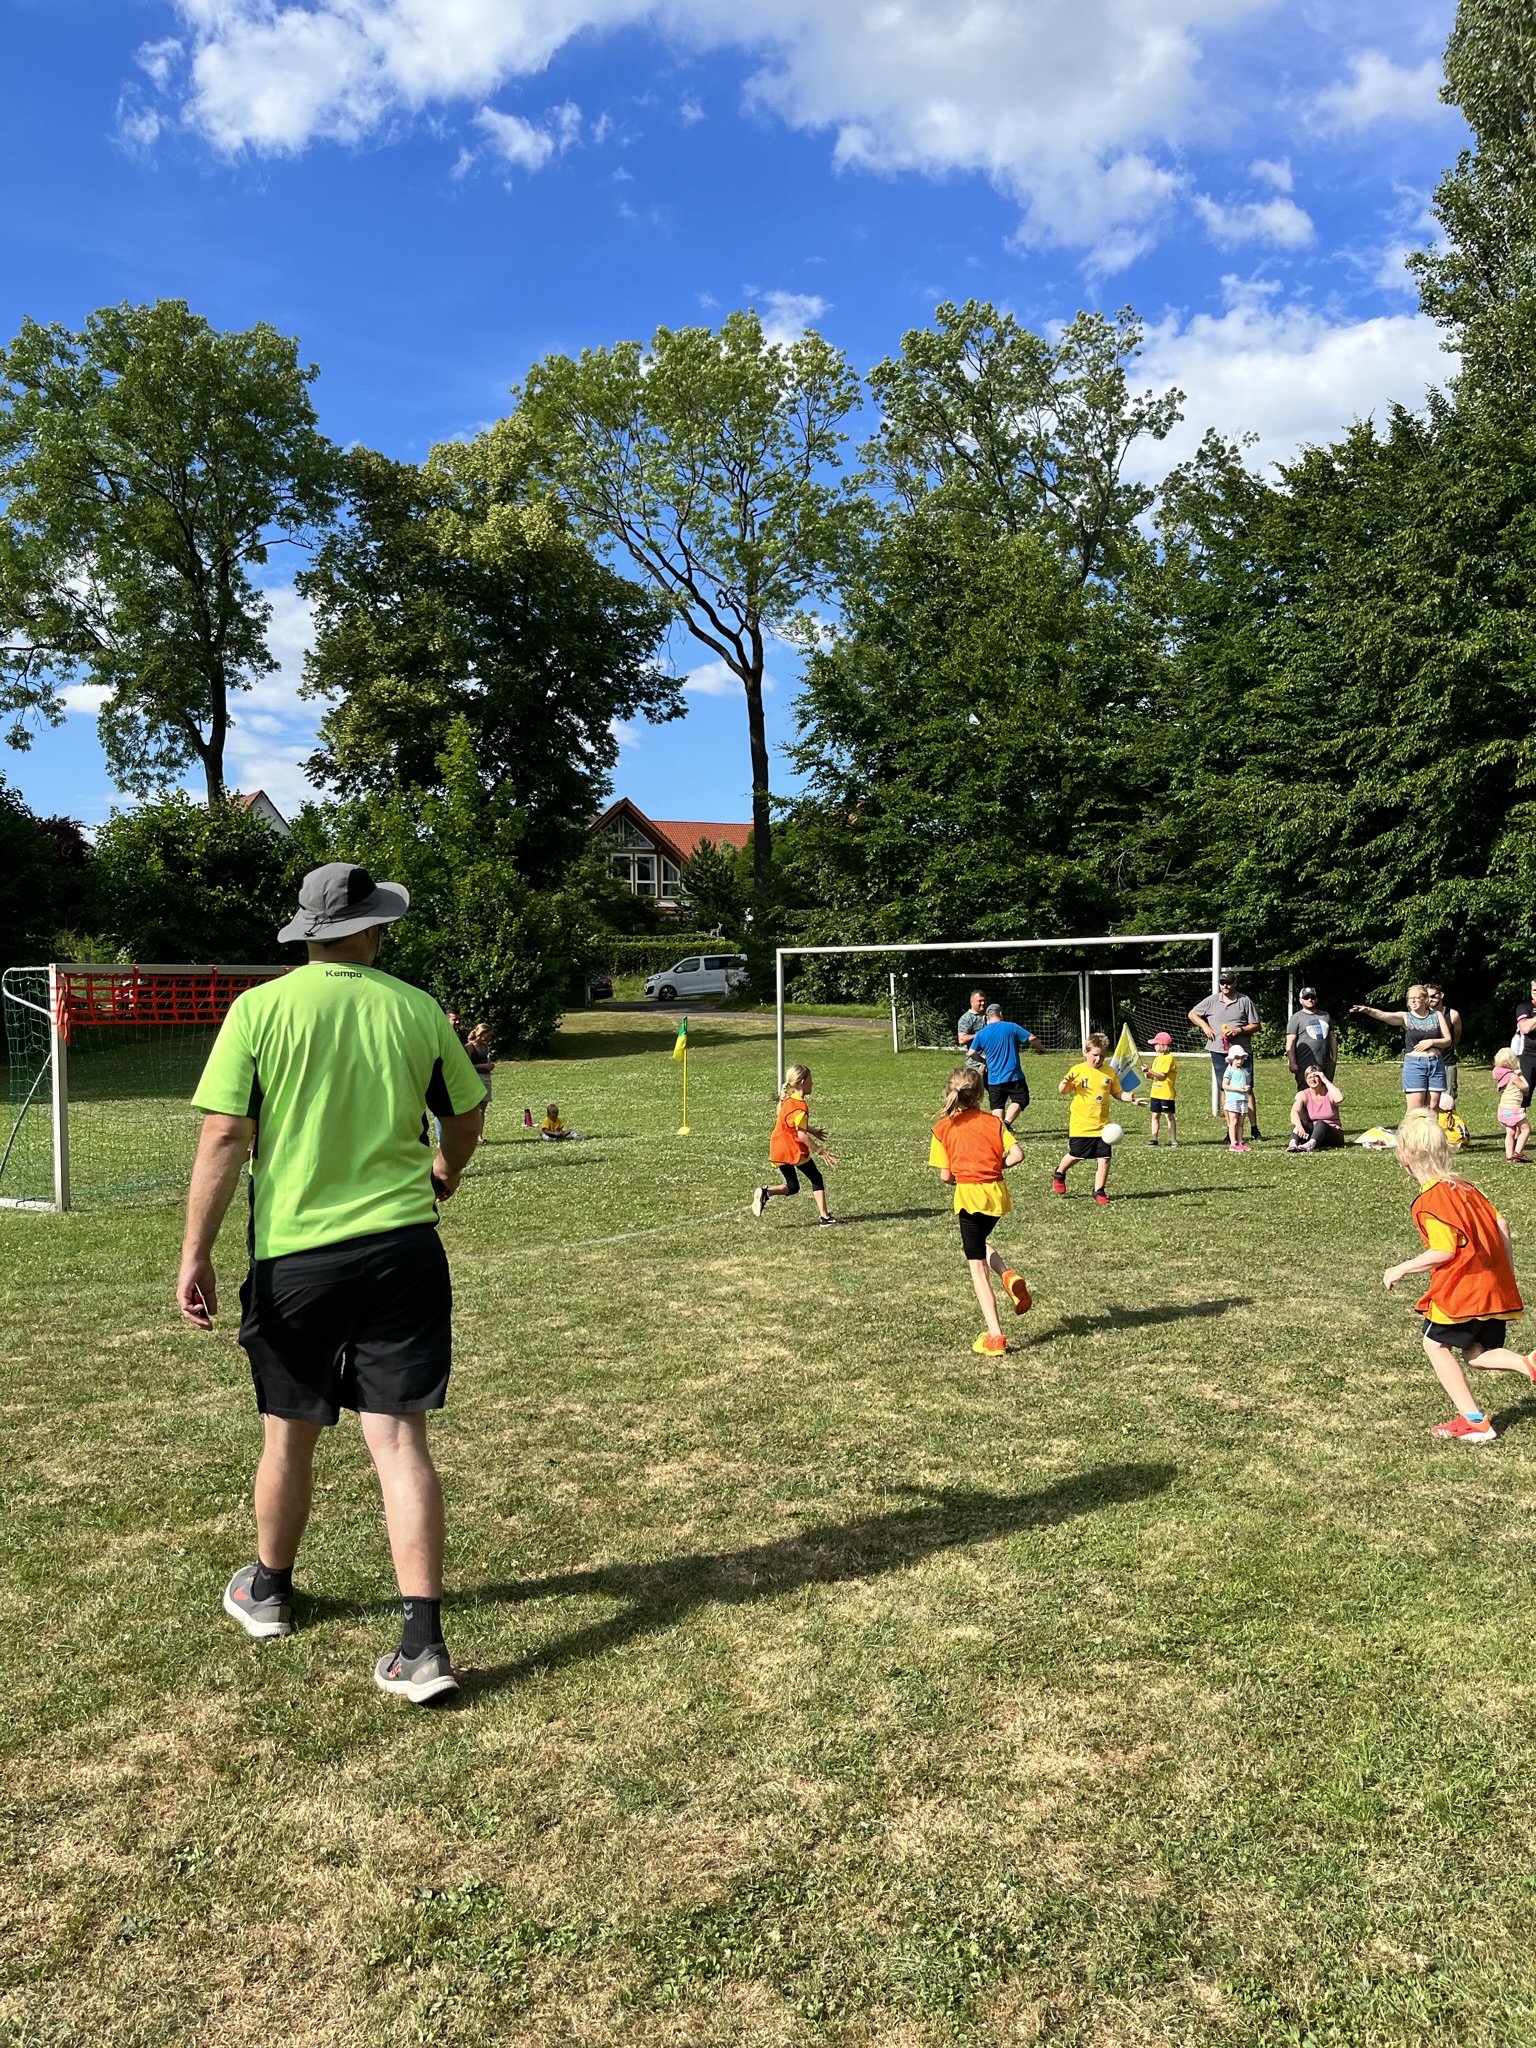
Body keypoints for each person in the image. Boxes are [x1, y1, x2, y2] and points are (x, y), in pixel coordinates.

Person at [179, 862, 487, 1705]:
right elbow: (466, 1114)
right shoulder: (416, 1008)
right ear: (372, 927)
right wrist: (446, 1171)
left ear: (308, 933)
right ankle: (422, 1647)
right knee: (400, 1442)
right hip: (403, 1253)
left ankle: (269, 1592)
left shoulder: (259, 1010)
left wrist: (196, 1252)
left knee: (288, 1435)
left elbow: (224, 1136)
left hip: (296, 1261)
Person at [1383, 1108, 1536, 1443]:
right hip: (1492, 1287)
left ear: (1405, 1158)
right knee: (1476, 1353)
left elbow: (1444, 1250)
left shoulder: (1430, 1201)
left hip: (1463, 1291)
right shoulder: (1467, 1189)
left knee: (1434, 1344)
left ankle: (1475, 1422)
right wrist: (1504, 1274)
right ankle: (1529, 1364)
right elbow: (1502, 1225)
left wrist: (1401, 1267)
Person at [929, 1066, 1030, 1355]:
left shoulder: (943, 1129)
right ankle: (1007, 1275)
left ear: (950, 1093)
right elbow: (1017, 1155)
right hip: (996, 1196)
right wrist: (995, 1167)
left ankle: (995, 1337)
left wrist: (963, 1176)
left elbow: (946, 1176)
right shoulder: (994, 1122)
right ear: (980, 1095)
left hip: (969, 1198)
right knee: (978, 1244)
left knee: (977, 1267)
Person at [1053, 1032, 1141, 1204]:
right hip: (1081, 1125)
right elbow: (1063, 1091)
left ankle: (1099, 1190)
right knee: (1076, 1154)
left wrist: (1130, 1098)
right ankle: (1059, 1173)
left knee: (1105, 1158)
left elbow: (1118, 1092)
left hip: (1103, 1126)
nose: (1098, 1059)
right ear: (1085, 1052)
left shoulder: (1109, 1072)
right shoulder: (1077, 1070)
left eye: (1102, 1056)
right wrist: (1065, 1083)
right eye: (1095, 1055)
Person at [752, 1064, 838, 1224]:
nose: (813, 1083)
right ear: (803, 1082)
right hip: (792, 1149)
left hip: (778, 1147)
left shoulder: (788, 1099)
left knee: (793, 1186)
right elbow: (801, 1135)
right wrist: (821, 1151)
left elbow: (790, 1122)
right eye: (811, 1080)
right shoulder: (800, 1107)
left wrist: (813, 1130)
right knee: (816, 1178)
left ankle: (766, 1192)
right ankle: (825, 1217)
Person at [1349, 987, 1452, 1111]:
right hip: (1415, 1065)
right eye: (1410, 998)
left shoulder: (1437, 1015)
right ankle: (1410, 1125)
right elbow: (1384, 1015)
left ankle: (1430, 1125)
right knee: (1415, 1109)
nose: (1413, 1001)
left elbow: (1448, 1040)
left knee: (1433, 1107)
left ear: (1425, 999)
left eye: (1416, 998)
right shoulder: (1406, 1017)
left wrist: (1431, 1042)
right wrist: (1368, 1010)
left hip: (1436, 1064)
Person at [1189, 975, 1264, 1139]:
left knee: (1248, 1088)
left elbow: (1256, 1025)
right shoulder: (1212, 1000)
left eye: (1228, 983)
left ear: (1235, 983)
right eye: (1222, 983)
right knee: (1225, 1088)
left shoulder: (1244, 1001)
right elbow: (1192, 1014)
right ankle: (1231, 1130)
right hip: (1218, 1051)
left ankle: (1254, 1129)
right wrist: (1205, 1027)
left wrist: (1239, 1030)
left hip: (1241, 1052)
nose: (1225, 986)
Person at [966, 1002, 1041, 1128]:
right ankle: (1006, 1124)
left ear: (987, 1017)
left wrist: (984, 1061)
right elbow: (1032, 1038)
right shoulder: (1011, 1027)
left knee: (997, 1105)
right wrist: (1041, 1049)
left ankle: (998, 1130)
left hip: (993, 1078)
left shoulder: (982, 1033)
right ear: (1000, 1014)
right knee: (1020, 1099)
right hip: (1013, 1076)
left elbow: (971, 1053)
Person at [1284, 987, 1337, 1089]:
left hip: (1325, 1064)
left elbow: (1332, 1038)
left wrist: (1334, 1060)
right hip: (1305, 1065)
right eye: (1306, 997)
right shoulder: (1296, 1018)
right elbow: (1290, 1041)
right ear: (1300, 1000)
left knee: (1326, 1093)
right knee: (1305, 1094)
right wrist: (1292, 1062)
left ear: (1316, 999)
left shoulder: (1325, 1016)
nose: (1310, 999)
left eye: (1312, 997)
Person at [1288, 1066, 1344, 1150]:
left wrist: (1326, 1080)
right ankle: (1293, 1144)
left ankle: (1311, 1144)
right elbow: (1294, 1112)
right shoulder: (1303, 1095)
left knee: (1320, 1123)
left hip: (1333, 1135)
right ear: (1306, 1080)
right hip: (1313, 1132)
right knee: (1300, 1123)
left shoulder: (1330, 1092)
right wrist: (1299, 1125)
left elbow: (1339, 1099)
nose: (1313, 1079)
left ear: (1321, 1078)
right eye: (1309, 1077)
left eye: (1315, 1076)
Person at [1423, 983, 1461, 1106]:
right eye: (1427, 996)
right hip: (1426, 1062)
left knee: (1448, 1101)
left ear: (1441, 995)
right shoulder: (1422, 1015)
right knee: (1426, 1101)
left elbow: (1456, 1037)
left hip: (1447, 1063)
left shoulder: (1453, 1015)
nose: (1430, 999)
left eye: (1433, 996)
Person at [1493, 1049, 1530, 1163]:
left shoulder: (1503, 1077)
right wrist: (1521, 1075)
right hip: (1513, 1110)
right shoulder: (1513, 1077)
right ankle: (1517, 1152)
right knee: (1526, 1129)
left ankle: (1509, 1156)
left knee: (1510, 1132)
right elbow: (1526, 1087)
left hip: (1504, 1110)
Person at [1145, 1030, 1178, 1147]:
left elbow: (1162, 1075)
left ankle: (1173, 1139)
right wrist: (1148, 1074)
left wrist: (1150, 1070)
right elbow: (1154, 1076)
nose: (1154, 1046)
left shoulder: (1169, 1058)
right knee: (1155, 1115)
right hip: (1155, 1092)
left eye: (1156, 1044)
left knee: (1169, 1115)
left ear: (1162, 1045)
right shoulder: (1157, 1059)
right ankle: (1154, 1138)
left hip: (1166, 1093)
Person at [1222, 1044, 1254, 1151]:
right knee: (1234, 1121)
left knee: (1241, 1122)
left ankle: (1240, 1141)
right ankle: (1233, 1143)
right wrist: (1238, 1089)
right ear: (1231, 1059)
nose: (1239, 1061)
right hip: (1233, 1100)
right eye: (1237, 1058)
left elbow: (1245, 1083)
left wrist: (1247, 1087)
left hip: (1243, 1100)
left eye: (1241, 1058)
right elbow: (1224, 1085)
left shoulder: (1244, 1071)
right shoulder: (1229, 1071)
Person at [464, 1022, 494, 1134]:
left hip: (486, 1078)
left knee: (482, 1110)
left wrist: (490, 1065)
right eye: (488, 1035)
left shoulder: (485, 1046)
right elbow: (466, 1066)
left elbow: (487, 1061)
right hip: (475, 1079)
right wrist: (483, 1066)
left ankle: (479, 1135)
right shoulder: (469, 1047)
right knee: (475, 1109)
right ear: (481, 1033)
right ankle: (471, 1133)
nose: (490, 1037)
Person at [956, 989, 988, 1069]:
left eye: (984, 1000)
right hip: (975, 1064)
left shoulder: (989, 1016)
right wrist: (979, 1035)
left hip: (991, 1062)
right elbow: (962, 1040)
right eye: (979, 1001)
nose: (983, 1003)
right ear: (971, 1002)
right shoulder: (966, 1018)